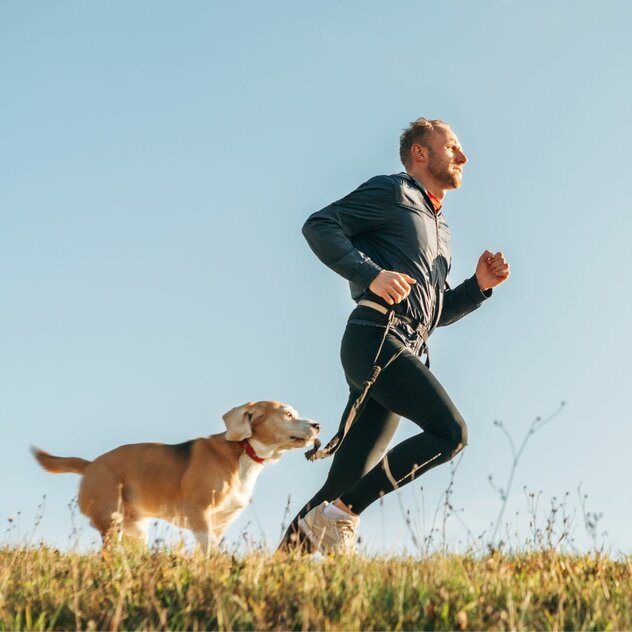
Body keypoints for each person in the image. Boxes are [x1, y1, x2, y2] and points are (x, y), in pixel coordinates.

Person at [279, 118, 510, 555]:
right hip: (376, 335)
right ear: (420, 153)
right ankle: (346, 513)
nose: (463, 158)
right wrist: (370, 274)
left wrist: (478, 287)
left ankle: (268, 579)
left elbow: (433, 313)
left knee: (340, 483)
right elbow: (318, 224)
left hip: (406, 344)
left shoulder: (442, 231)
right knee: (451, 432)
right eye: (453, 147)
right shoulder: (393, 192)